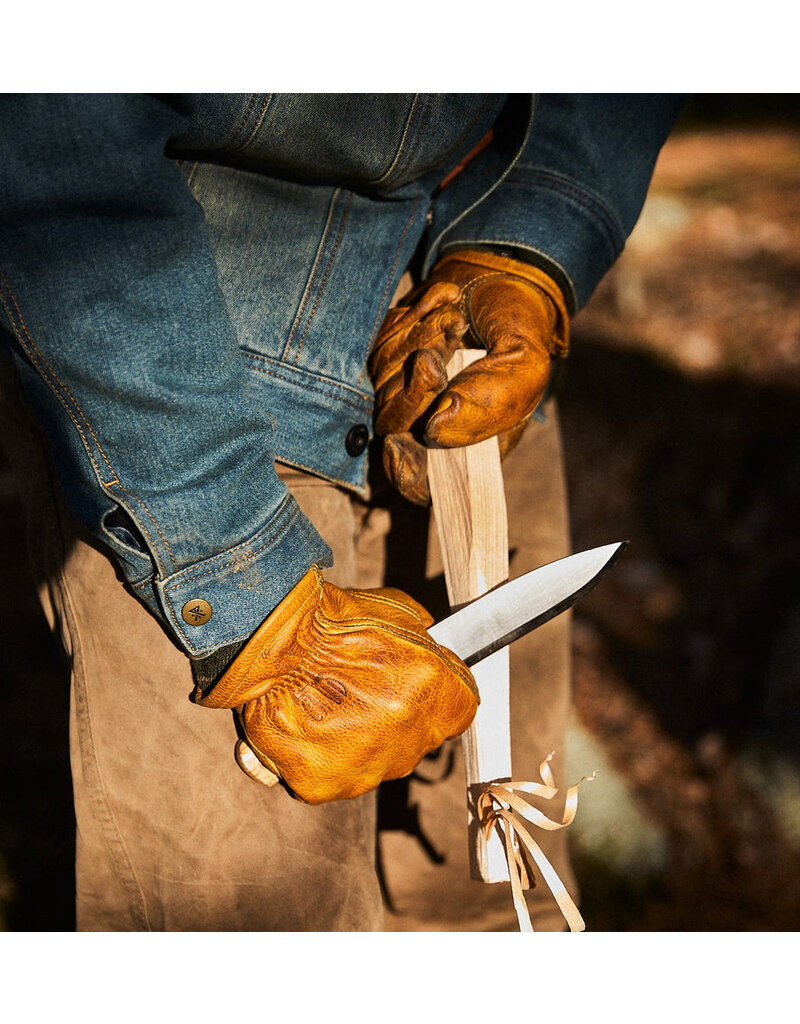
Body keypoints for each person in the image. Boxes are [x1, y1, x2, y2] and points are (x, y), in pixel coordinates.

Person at [0, 93, 685, 930]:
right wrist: (237, 580)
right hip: (184, 373)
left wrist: (531, 243)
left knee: (489, 904)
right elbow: (54, 151)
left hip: (467, 338)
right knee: (268, 936)